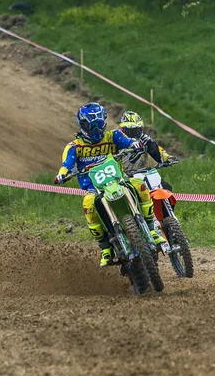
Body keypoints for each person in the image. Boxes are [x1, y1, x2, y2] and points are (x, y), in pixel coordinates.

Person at [54, 102, 166, 267]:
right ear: (82, 125)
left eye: (99, 124)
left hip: (118, 180)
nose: (96, 129)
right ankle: (105, 248)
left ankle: (151, 229)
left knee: (140, 185)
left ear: (104, 122)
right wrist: (62, 174)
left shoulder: (113, 136)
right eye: (91, 125)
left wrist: (134, 145)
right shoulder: (75, 147)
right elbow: (67, 164)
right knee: (88, 205)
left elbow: (128, 141)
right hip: (94, 188)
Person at [117, 110, 176, 191]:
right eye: (131, 132)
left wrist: (167, 158)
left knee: (166, 187)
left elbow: (157, 150)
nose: (134, 135)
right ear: (123, 130)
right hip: (123, 177)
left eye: (137, 131)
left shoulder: (144, 139)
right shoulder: (117, 141)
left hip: (142, 173)